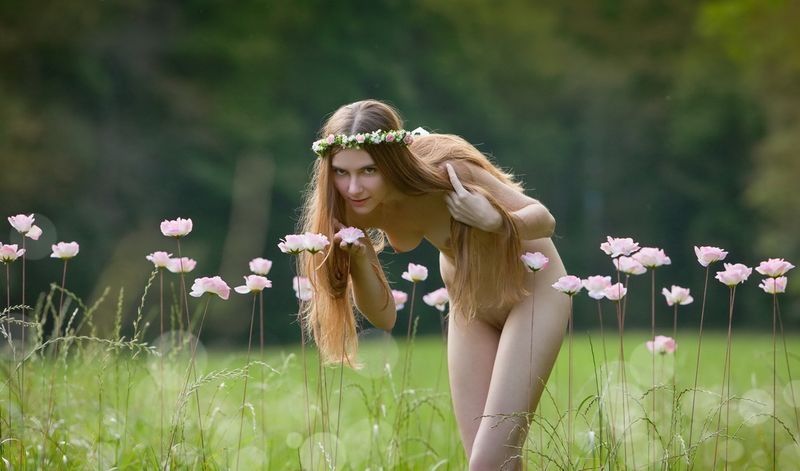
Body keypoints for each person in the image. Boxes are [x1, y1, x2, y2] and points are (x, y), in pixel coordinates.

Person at [299, 99, 569, 469]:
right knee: (493, 463)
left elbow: (544, 220)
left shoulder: (447, 170)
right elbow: (384, 316)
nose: (354, 186)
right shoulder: (349, 208)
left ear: (392, 161)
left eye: (368, 170)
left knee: (487, 463)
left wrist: (495, 220)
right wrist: (360, 259)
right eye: (341, 173)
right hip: (469, 306)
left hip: (532, 291)